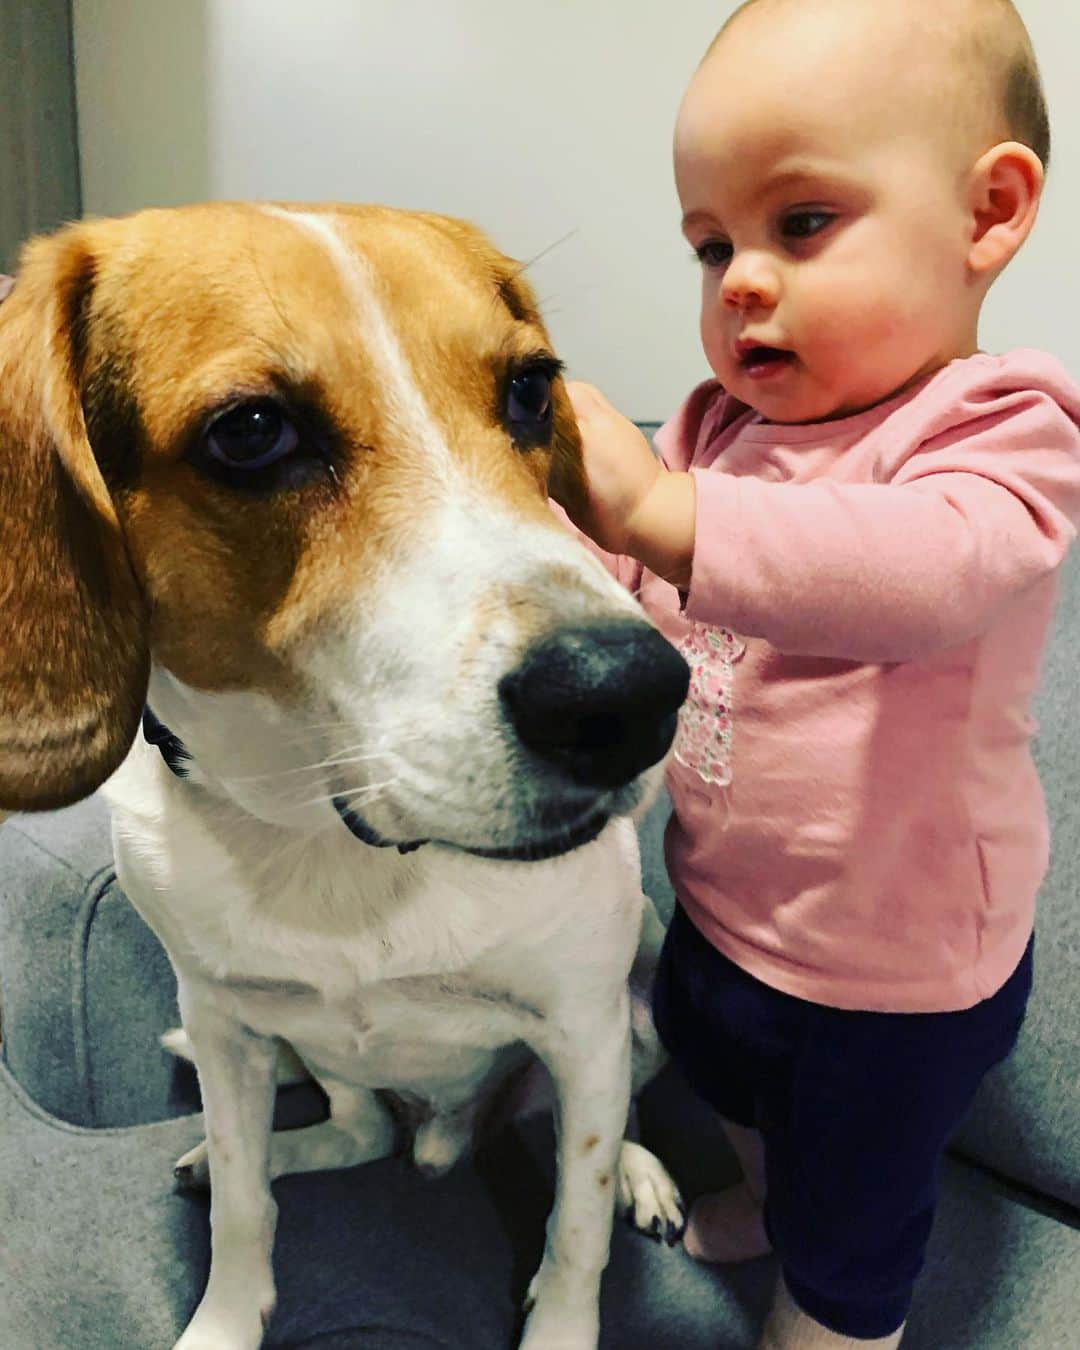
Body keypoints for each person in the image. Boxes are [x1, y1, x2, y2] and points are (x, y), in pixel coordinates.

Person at [550, 1, 1080, 1346]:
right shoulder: (714, 427)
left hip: (895, 982)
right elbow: (634, 588)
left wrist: (661, 514)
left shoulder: (1001, 429)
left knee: (854, 1230)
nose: (737, 279)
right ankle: (769, 1196)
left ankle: (829, 1294)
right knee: (731, 1089)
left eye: (798, 225)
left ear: (989, 213)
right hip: (723, 913)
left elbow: (912, 577)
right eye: (713, 242)